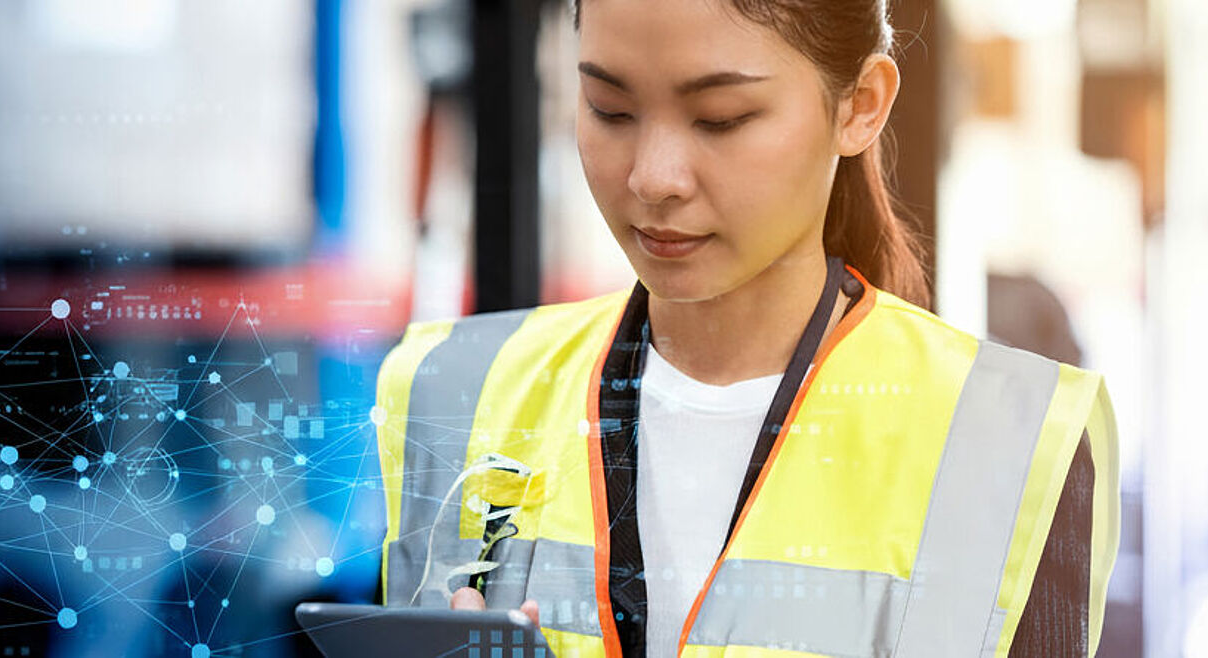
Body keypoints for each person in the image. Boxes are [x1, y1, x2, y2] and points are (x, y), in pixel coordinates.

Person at [372, 0, 1119, 656]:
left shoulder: (1010, 437)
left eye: (720, 119)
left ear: (860, 104)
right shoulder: (453, 392)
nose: (654, 176)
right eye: (609, 108)